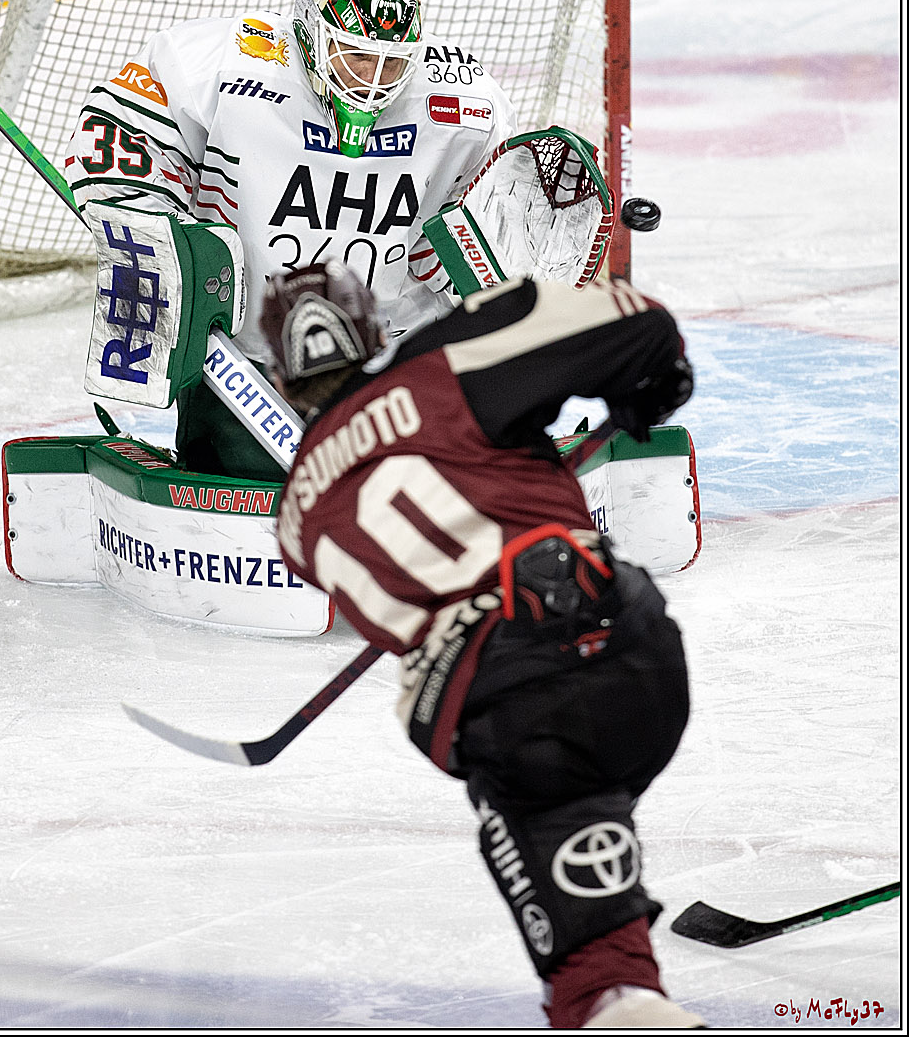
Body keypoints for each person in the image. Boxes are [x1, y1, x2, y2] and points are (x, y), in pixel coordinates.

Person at [259, 262, 704, 1031]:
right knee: (586, 824)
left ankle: (614, 986)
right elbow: (637, 323)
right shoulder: (438, 363)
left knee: (596, 977)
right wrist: (650, 382)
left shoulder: (296, 519)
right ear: (370, 330)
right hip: (633, 647)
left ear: (282, 377)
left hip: (516, 712)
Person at [66, 0, 517, 478]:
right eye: (356, 56)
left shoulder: (466, 102)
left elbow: (498, 212)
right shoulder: (224, 63)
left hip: (398, 358)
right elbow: (118, 132)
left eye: (392, 62)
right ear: (309, 32)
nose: (374, 80)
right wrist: (151, 226)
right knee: (232, 486)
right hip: (246, 365)